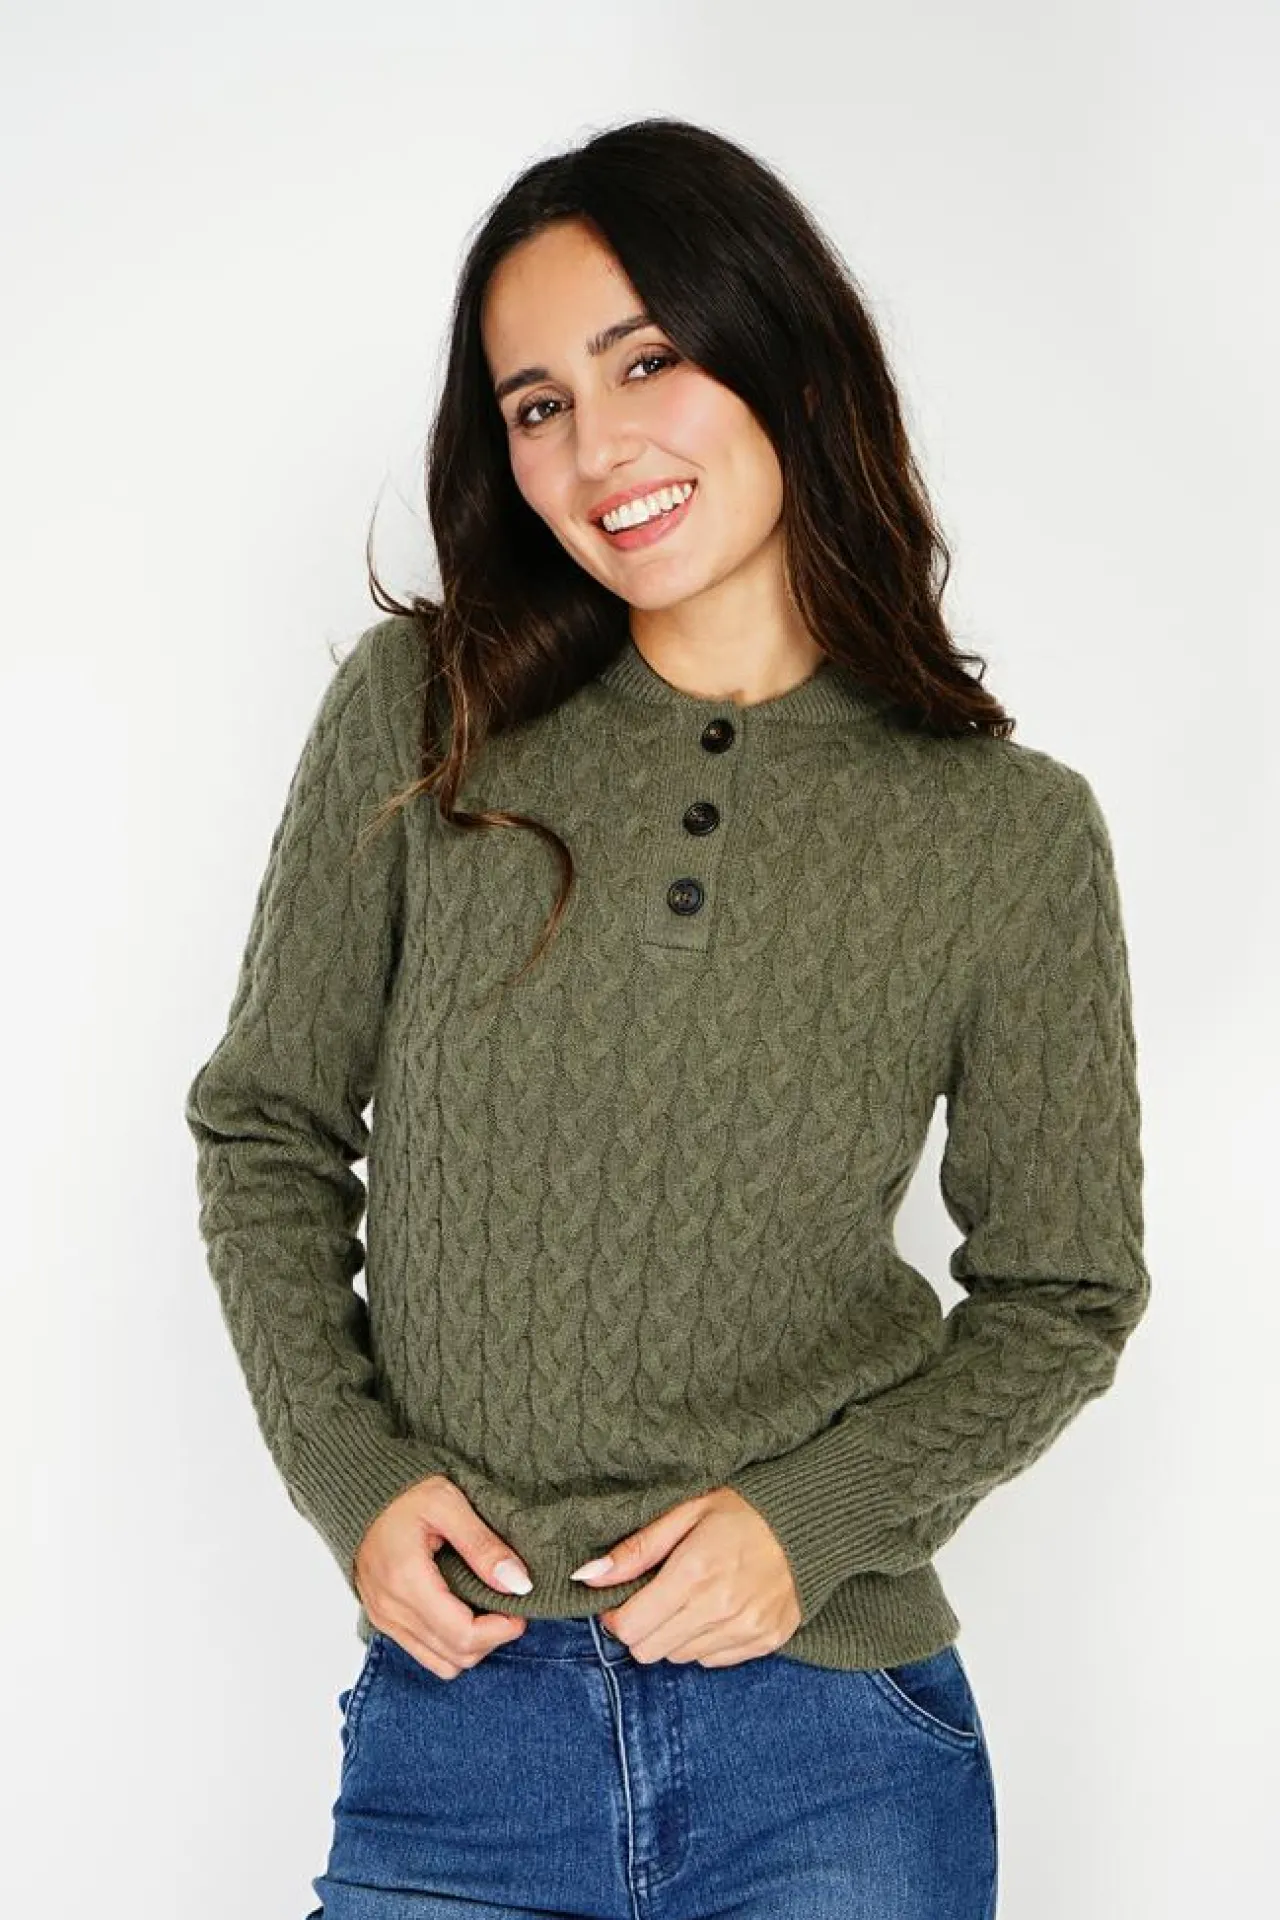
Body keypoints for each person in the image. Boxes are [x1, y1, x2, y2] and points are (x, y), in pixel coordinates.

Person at [184, 115, 1150, 1920]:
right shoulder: (425, 716)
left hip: (828, 1737)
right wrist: (351, 1475)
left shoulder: (1006, 832)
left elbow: (1064, 1291)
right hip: (461, 1728)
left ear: (785, 354)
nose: (596, 447)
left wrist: (811, 1526)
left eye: (647, 362)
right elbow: (268, 1126)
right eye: (536, 404)